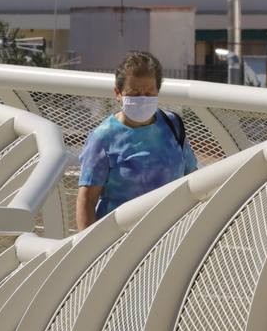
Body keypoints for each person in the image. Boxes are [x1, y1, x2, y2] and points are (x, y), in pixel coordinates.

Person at [75, 50, 198, 230]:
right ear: (118, 93)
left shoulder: (173, 125)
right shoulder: (103, 137)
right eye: (134, 94)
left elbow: (192, 176)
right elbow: (87, 199)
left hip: (171, 235)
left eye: (149, 93)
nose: (143, 99)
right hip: (119, 239)